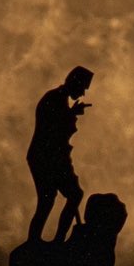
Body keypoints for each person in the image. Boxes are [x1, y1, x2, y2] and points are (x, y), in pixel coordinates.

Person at [26, 65, 93, 243]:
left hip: (51, 157)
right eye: (83, 88)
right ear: (74, 82)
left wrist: (72, 113)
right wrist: (72, 115)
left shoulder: (59, 99)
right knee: (51, 199)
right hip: (45, 157)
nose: (83, 93)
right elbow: (54, 130)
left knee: (60, 197)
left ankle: (51, 240)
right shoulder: (53, 99)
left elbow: (60, 126)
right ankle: (50, 241)